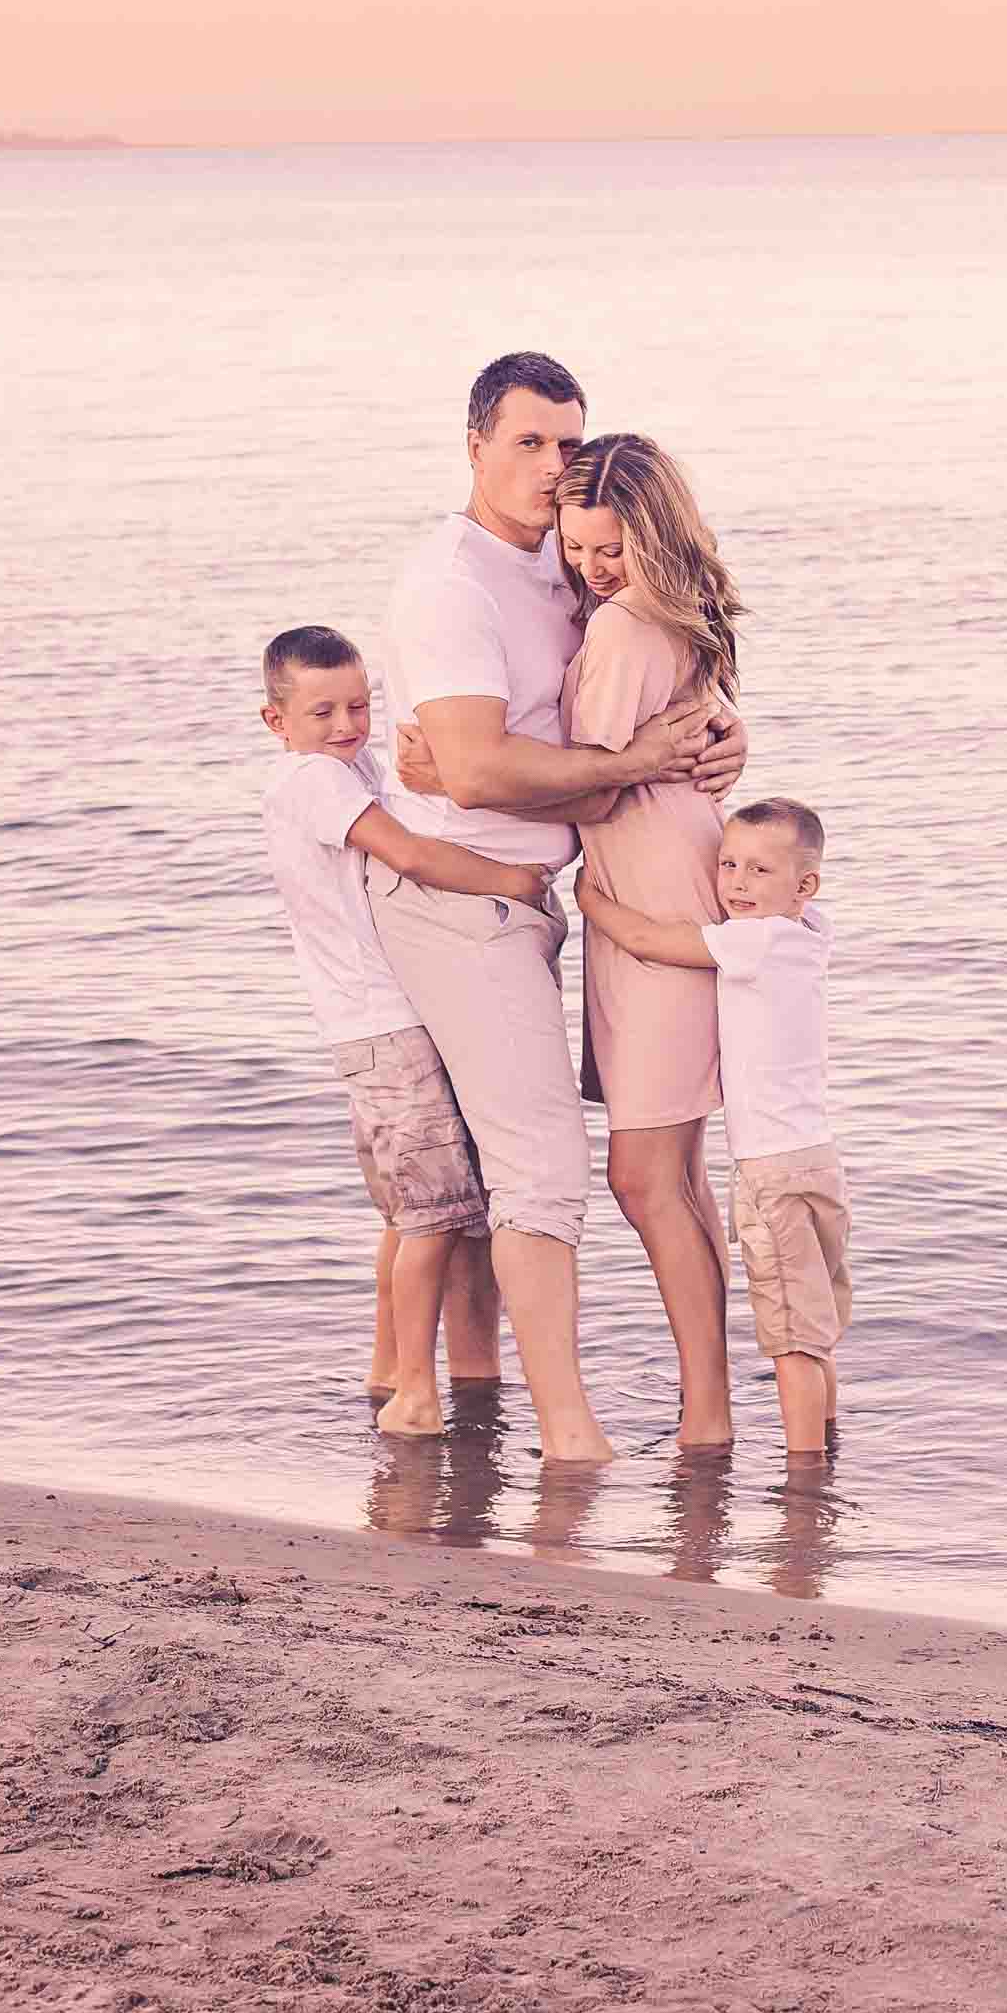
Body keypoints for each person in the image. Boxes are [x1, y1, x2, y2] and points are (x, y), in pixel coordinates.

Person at [375, 351, 745, 1465]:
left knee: (503, 1170)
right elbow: (482, 771)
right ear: (475, 444)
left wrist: (712, 731)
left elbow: (658, 671)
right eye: (528, 443)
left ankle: (447, 1392)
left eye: (565, 446)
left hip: (544, 901)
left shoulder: (565, 569)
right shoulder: (452, 583)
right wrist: (632, 761)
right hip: (466, 900)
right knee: (541, 1168)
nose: (550, 468)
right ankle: (571, 1437)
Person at [258, 622, 553, 1438]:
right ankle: (416, 1394)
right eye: (322, 712)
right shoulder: (314, 782)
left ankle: (390, 1368)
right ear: (275, 721)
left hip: (373, 1024)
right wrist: (514, 883)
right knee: (432, 1217)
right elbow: (412, 857)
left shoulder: (350, 769)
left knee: (406, 1213)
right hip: (385, 1025)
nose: (347, 726)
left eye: (359, 705)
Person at [556, 434, 742, 1451]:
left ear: (655, 530)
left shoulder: (630, 627)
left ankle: (709, 1414)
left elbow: (589, 777)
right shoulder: (659, 617)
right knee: (673, 1174)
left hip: (655, 896)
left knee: (644, 1176)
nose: (595, 568)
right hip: (656, 888)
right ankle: (707, 1406)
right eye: (579, 549)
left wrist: (451, 771)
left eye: (611, 548)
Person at [574, 798, 849, 1459]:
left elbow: (646, 941)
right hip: (818, 1159)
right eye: (727, 865)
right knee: (816, 1322)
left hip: (770, 1170)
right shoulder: (812, 932)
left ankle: (804, 1476)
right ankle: (830, 1443)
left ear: (803, 886)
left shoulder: (752, 941)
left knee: (789, 1338)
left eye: (759, 871)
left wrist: (591, 898)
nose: (736, 884)